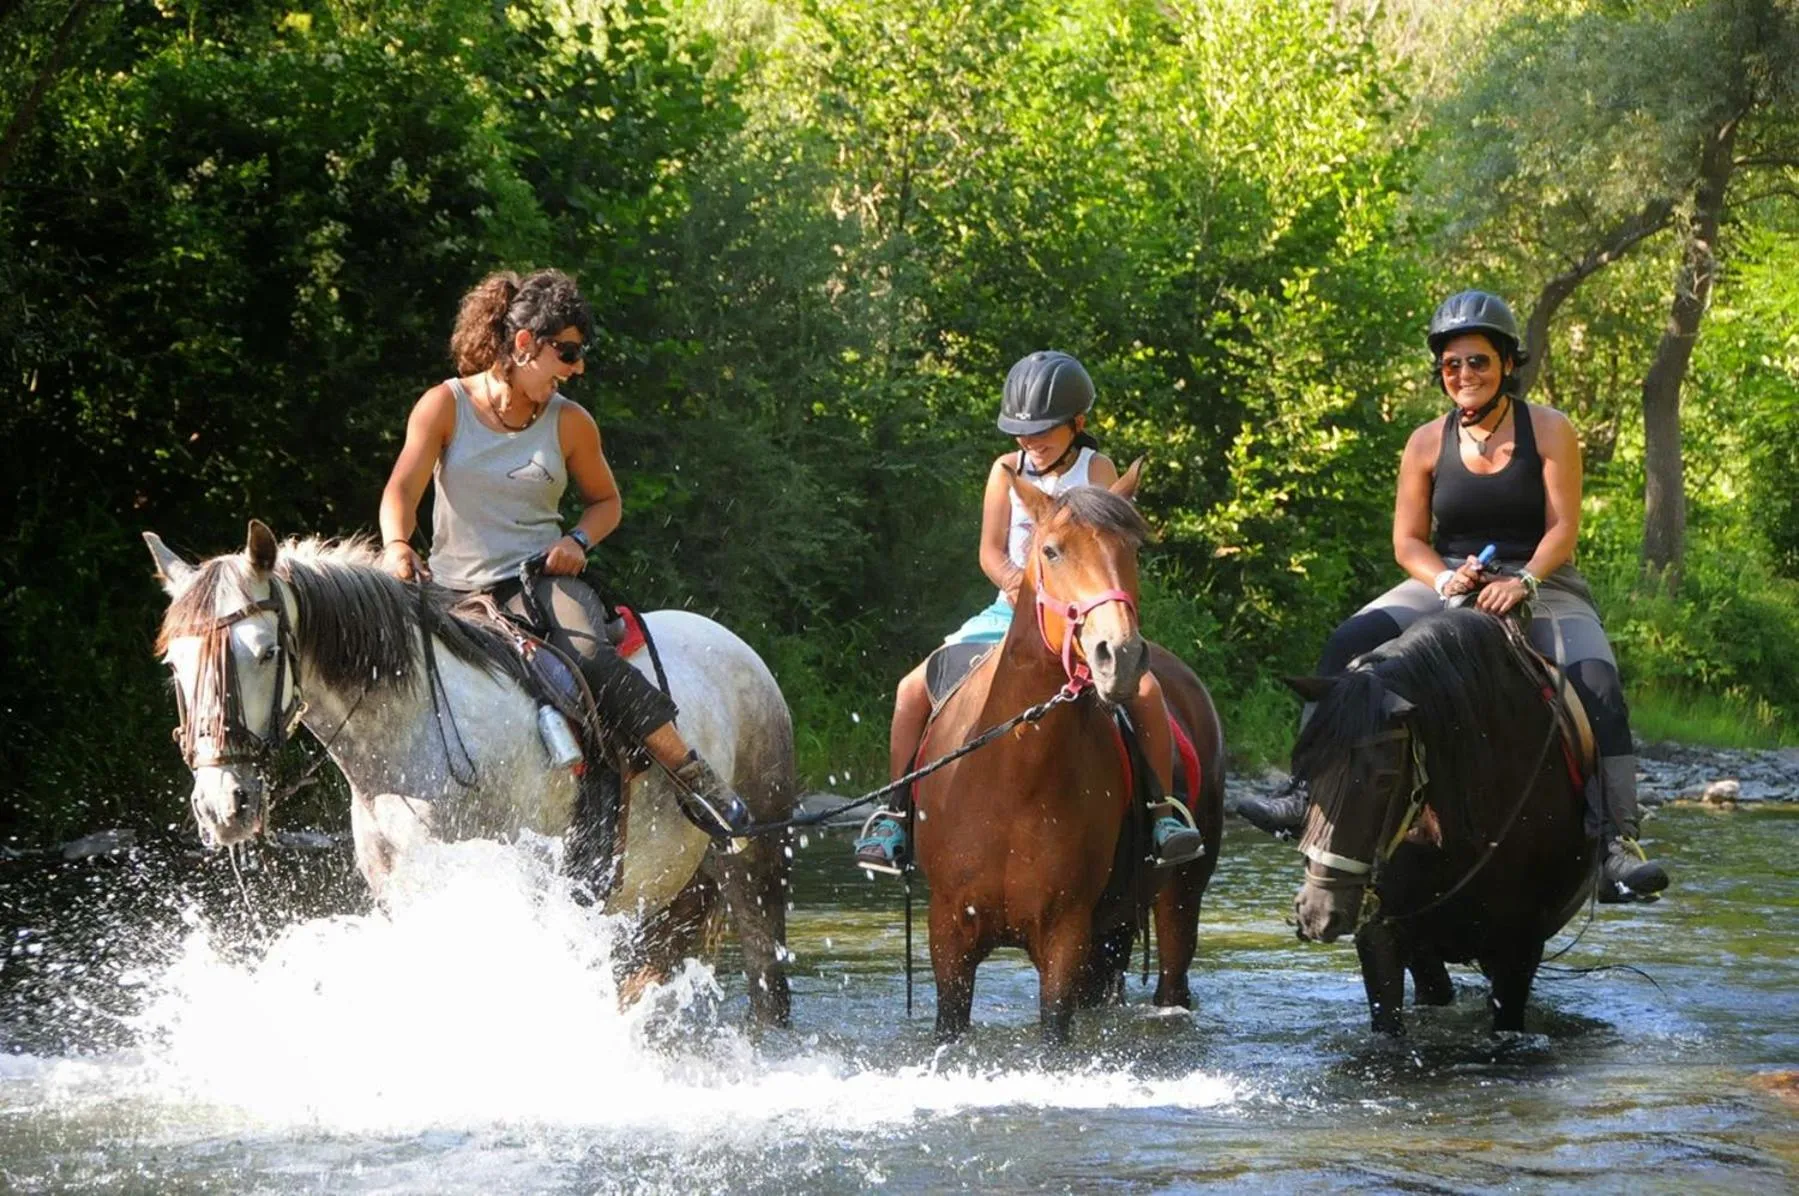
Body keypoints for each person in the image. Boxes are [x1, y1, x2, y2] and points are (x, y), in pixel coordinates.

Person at [1235, 290, 1668, 902]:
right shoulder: (1422, 443)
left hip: (1540, 579)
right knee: (1346, 645)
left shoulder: (1549, 429)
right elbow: (1408, 540)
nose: (1464, 375)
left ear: (1507, 364)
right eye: (1452, 364)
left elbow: (1562, 530)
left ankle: (1614, 843)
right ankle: (1306, 793)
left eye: (1478, 362)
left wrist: (1525, 582)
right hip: (1448, 578)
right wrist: (1443, 579)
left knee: (1596, 679)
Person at [378, 268, 748, 837]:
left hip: (539, 582)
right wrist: (398, 545)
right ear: (525, 344)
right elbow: (401, 490)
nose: (577, 370)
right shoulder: (443, 406)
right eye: (568, 353)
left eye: (579, 355)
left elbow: (606, 502)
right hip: (455, 592)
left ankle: (696, 778)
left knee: (592, 658)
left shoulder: (571, 423)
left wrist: (576, 541)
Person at [853, 351, 1205, 874]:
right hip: (1010, 611)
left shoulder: (1097, 469)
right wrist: (1024, 590)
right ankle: (895, 817)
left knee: (1147, 691)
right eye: (1021, 432)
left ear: (1077, 424)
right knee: (910, 689)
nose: (1029, 442)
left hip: (1081, 617)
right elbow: (990, 553)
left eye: (1042, 431)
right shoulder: (1005, 471)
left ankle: (1161, 812)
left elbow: (1104, 548)